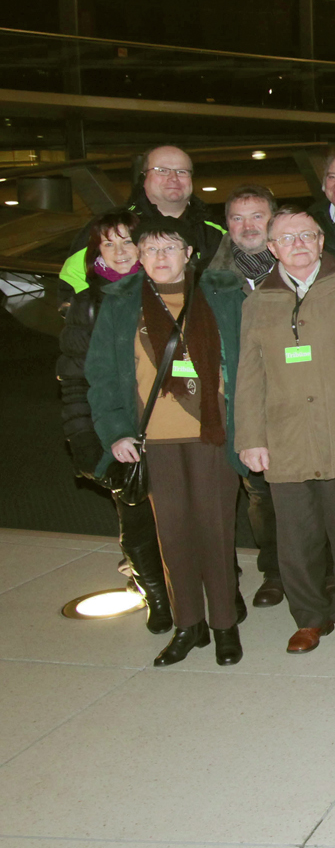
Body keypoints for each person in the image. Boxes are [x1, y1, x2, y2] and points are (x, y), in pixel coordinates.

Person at [87, 215, 247, 667]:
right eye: (151, 249)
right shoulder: (120, 304)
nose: (160, 257)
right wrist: (116, 431)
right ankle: (188, 625)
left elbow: (247, 366)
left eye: (170, 247)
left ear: (189, 254)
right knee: (172, 535)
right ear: (139, 256)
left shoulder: (222, 295)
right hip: (152, 440)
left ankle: (223, 625)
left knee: (215, 532)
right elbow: (101, 376)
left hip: (212, 435)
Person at [236, 207, 335, 654]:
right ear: (272, 248)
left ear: (321, 241)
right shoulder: (259, 301)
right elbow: (250, 374)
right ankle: (309, 618)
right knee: (296, 537)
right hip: (286, 437)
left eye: (307, 235)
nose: (298, 244)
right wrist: (250, 438)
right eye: (287, 238)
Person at [59, 212, 169, 632]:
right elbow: (73, 378)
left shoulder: (169, 292)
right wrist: (86, 442)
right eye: (110, 244)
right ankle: (155, 595)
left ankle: (198, 588)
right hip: (118, 431)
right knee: (136, 515)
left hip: (171, 428)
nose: (121, 252)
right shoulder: (87, 306)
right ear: (96, 253)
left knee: (185, 514)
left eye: (129, 242)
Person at [204, 185, 283, 606]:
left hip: (296, 398)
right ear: (227, 225)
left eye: (257, 216)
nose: (248, 225)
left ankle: (316, 568)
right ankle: (273, 571)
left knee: (307, 489)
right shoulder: (210, 282)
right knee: (258, 493)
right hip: (241, 402)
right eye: (238, 217)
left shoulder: (298, 266)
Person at [60, 145, 226, 297]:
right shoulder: (111, 226)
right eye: (162, 170)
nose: (173, 178)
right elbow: (71, 277)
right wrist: (97, 315)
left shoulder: (216, 231)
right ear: (144, 177)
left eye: (182, 171)